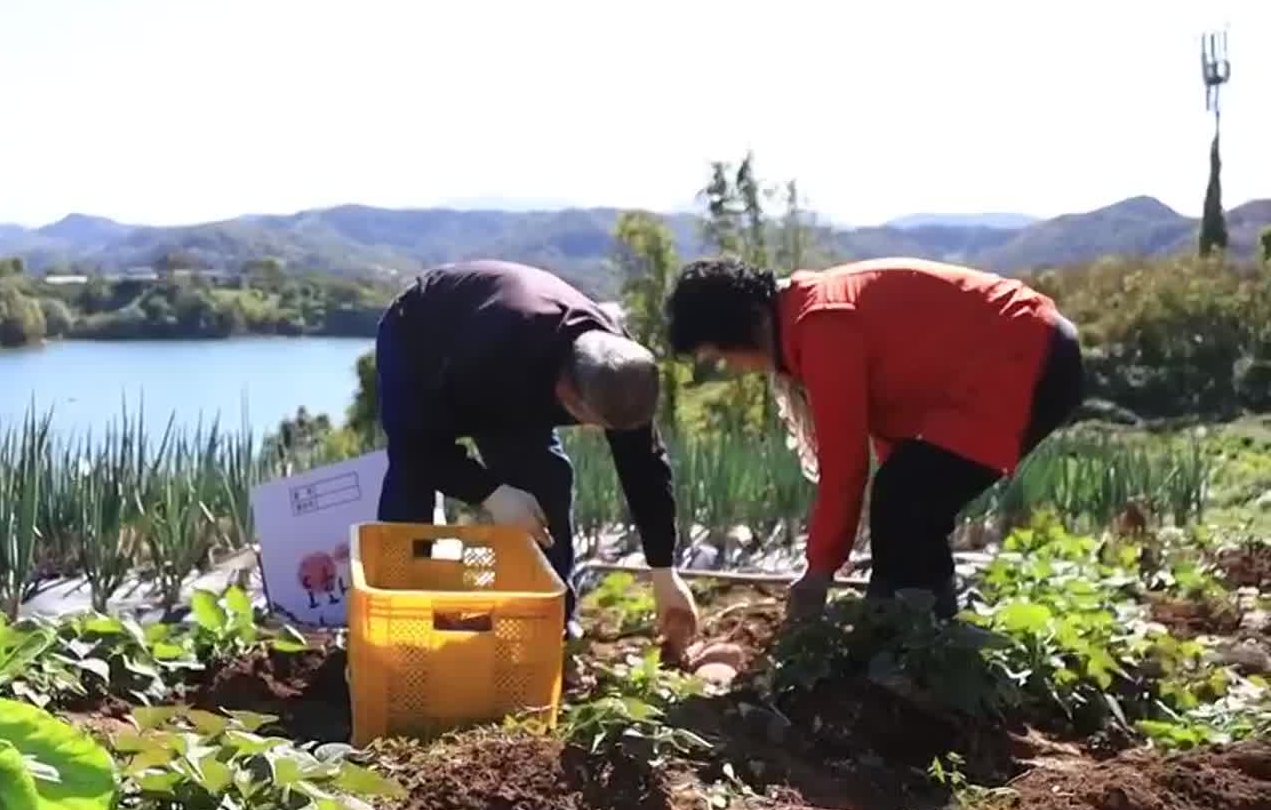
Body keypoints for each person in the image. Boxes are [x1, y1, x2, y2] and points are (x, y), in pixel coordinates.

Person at [663, 256, 1085, 621]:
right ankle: (912, 629)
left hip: (1029, 354)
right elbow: (893, 435)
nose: (734, 367)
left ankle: (917, 639)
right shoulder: (806, 317)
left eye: (722, 355)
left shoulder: (821, 324)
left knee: (907, 499)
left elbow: (844, 466)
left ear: (745, 326)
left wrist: (818, 574)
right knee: (906, 498)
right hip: (1021, 353)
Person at [374, 260, 695, 642]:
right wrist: (490, 493)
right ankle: (400, 613)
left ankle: (548, 617)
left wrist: (663, 570)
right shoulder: (495, 352)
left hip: (510, 373)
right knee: (412, 485)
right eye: (593, 422)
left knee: (547, 479)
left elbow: (644, 465)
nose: (598, 434)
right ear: (565, 393)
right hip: (422, 338)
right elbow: (416, 443)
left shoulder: (621, 367)